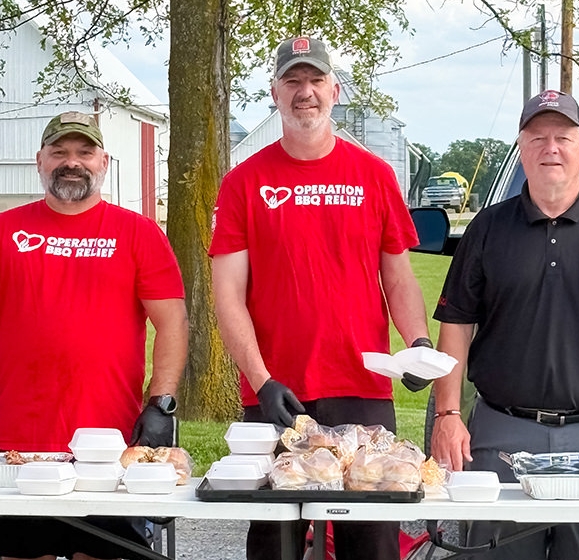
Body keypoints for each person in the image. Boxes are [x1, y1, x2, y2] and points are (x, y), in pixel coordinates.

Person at [210, 36, 432, 560]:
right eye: (292, 81)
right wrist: (261, 381)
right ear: (274, 93)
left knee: (370, 540)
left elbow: (398, 277)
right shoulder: (244, 182)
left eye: (315, 80)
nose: (304, 91)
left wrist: (418, 344)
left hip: (361, 385)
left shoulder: (374, 175)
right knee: (275, 540)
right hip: (277, 393)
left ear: (334, 90)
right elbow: (227, 296)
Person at [430, 90, 579, 560]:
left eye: (562, 138)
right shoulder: (487, 228)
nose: (550, 148)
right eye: (537, 138)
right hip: (502, 434)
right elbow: (456, 324)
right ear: (521, 149)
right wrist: (448, 416)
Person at [0, 111, 188, 560]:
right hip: (18, 443)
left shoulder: (139, 233)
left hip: (110, 444)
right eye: (59, 152)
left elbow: (172, 322)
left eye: (84, 152)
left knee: (102, 553)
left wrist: (161, 403)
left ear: (104, 162)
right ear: (39, 161)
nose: (71, 162)